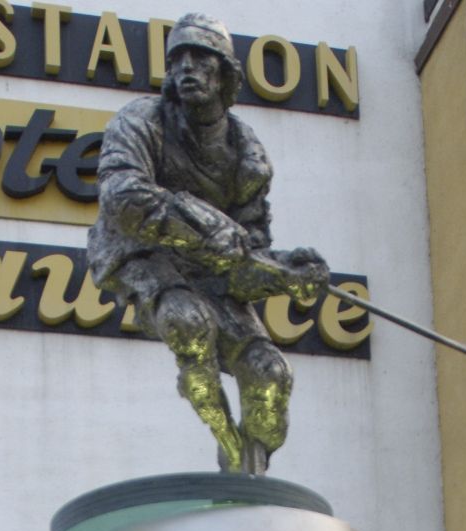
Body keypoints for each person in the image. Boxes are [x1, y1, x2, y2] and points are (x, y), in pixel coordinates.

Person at [87, 13, 329, 473]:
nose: (187, 69)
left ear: (226, 74)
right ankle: (227, 439)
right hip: (142, 253)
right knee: (187, 322)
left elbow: (243, 256)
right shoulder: (142, 120)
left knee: (270, 374)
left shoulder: (248, 157)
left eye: (201, 58)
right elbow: (122, 196)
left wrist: (285, 275)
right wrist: (203, 223)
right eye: (178, 58)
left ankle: (252, 465)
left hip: (210, 273)